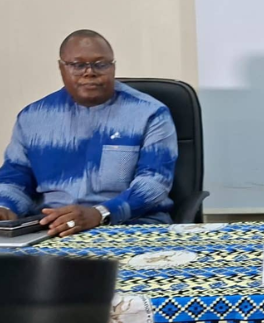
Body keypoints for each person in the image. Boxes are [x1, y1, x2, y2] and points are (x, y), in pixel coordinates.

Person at [0, 30, 178, 235]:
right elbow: (15, 178)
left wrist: (99, 214)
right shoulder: (32, 118)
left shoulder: (150, 114)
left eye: (100, 64)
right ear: (61, 68)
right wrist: (5, 207)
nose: (89, 72)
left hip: (130, 227)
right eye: (78, 65)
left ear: (113, 67)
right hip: (52, 230)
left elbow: (154, 184)